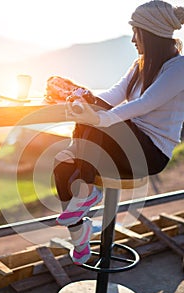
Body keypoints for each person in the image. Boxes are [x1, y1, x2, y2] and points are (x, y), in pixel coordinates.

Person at [53, 0, 184, 265]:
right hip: (126, 145)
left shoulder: (179, 68)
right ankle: (80, 237)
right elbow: (113, 95)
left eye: (136, 32)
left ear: (150, 33)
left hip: (151, 153)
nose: (133, 39)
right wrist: (85, 103)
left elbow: (145, 103)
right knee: (62, 165)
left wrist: (99, 118)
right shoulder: (140, 64)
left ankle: (87, 191)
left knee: (95, 121)